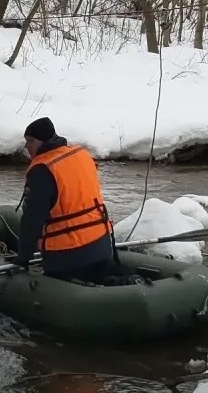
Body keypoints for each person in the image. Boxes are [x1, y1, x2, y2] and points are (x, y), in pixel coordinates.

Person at [14, 117, 139, 285]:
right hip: (102, 243)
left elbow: (32, 219)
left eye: (30, 141)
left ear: (42, 141)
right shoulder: (82, 154)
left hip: (66, 254)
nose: (26, 146)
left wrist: (24, 258)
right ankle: (125, 282)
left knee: (72, 276)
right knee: (102, 272)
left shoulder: (42, 170)